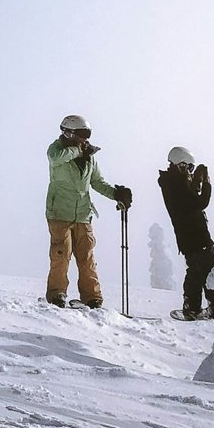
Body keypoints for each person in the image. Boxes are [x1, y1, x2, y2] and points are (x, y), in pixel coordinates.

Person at [45, 114, 132, 308]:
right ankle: (57, 294)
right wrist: (77, 151)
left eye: (87, 134)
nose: (86, 139)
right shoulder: (57, 149)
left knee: (86, 256)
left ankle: (92, 298)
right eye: (82, 134)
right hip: (60, 212)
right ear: (69, 133)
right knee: (61, 253)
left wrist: (116, 194)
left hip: (83, 214)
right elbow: (55, 159)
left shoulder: (89, 158)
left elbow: (97, 183)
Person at [157, 146, 214, 319]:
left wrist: (195, 181)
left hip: (187, 238)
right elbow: (200, 203)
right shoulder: (177, 184)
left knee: (195, 272)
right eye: (189, 167)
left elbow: (189, 199)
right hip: (197, 236)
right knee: (213, 271)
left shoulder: (171, 182)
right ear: (181, 165)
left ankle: (192, 307)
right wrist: (206, 183)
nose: (190, 171)